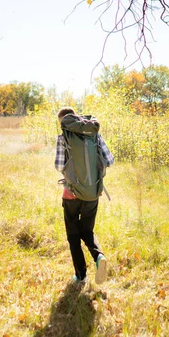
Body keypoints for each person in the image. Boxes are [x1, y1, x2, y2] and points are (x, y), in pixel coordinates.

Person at [55, 107, 114, 284]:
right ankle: (99, 256)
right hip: (92, 193)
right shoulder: (93, 135)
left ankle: (80, 275)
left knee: (73, 236)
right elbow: (109, 160)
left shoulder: (63, 137)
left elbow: (59, 165)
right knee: (87, 231)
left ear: (63, 122)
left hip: (71, 194)